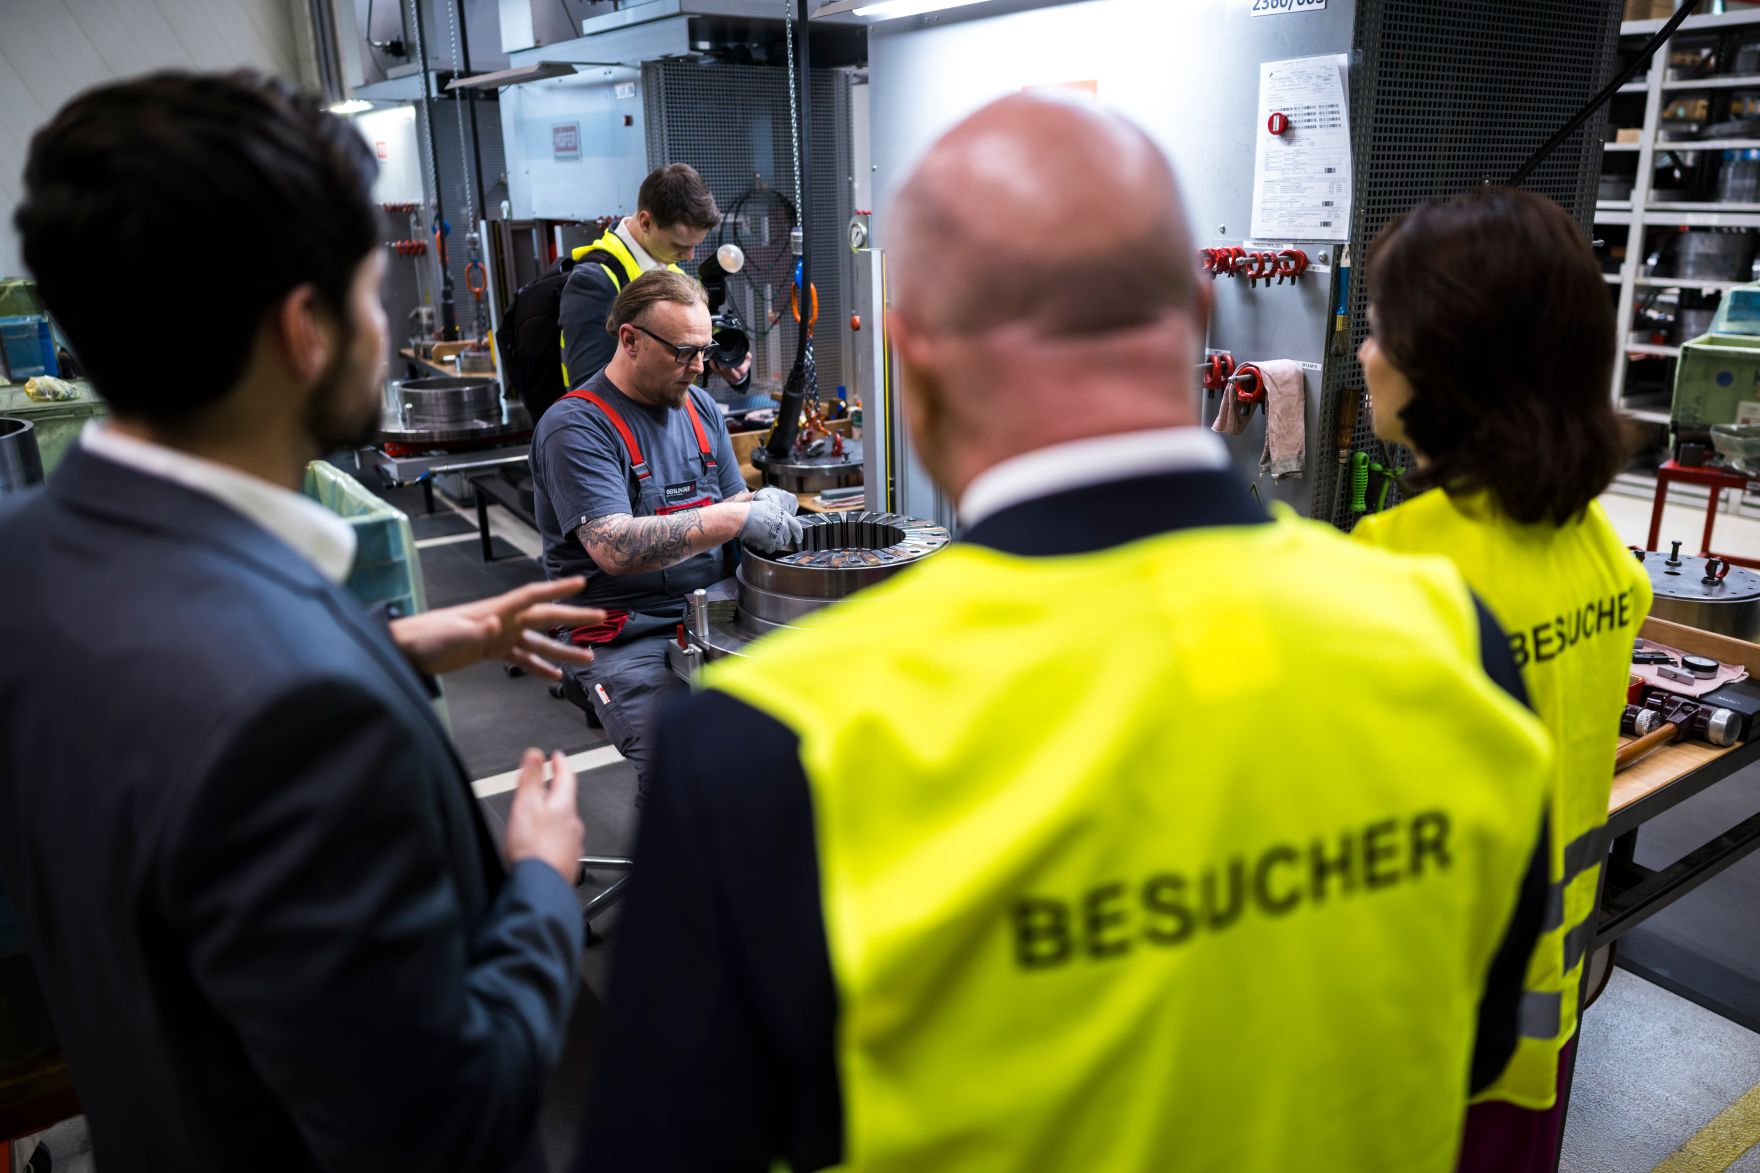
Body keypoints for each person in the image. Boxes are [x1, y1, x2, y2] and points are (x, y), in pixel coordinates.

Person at [575, 94, 1557, 1171]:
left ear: (911, 352)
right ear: (1194, 314)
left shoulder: (778, 747)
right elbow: (1470, 1045)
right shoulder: (1448, 638)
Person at [0, 71, 600, 1172]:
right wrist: (539, 883)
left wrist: (388, 646)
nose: (388, 326)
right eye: (372, 295)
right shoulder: (297, 716)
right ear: (305, 331)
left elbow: (165, 726)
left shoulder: (27, 556)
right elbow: (445, 1120)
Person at [1352, 187, 1653, 1172]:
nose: (1364, 355)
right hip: (1543, 1000)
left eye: (1376, 329)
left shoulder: (1399, 565)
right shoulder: (1593, 543)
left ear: (1442, 360)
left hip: (1425, 1031)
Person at [532, 268, 801, 791]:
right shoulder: (576, 427)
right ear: (630, 339)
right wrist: (735, 517)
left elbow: (731, 503)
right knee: (686, 773)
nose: (698, 368)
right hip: (624, 635)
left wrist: (758, 503)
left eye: (704, 351)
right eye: (683, 353)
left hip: (716, 615)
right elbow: (615, 547)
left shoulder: (699, 408)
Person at [556, 163, 750, 405]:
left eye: (695, 246)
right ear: (646, 222)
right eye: (679, 245)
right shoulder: (595, 280)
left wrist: (729, 367)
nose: (689, 256)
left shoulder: (673, 272)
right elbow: (590, 393)